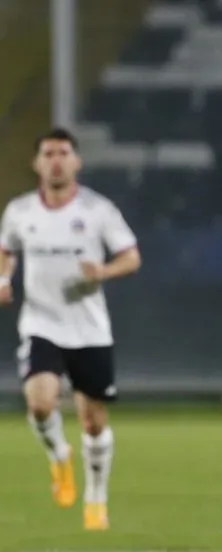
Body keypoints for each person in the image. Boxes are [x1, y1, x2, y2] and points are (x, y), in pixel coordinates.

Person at [0, 127, 141, 531]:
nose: (56, 159)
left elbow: (131, 257)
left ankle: (96, 499)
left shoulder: (98, 211)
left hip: (89, 329)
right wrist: (4, 278)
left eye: (63, 152)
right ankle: (59, 455)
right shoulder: (20, 211)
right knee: (40, 404)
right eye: (49, 153)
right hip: (41, 323)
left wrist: (103, 271)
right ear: (37, 163)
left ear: (76, 161)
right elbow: (5, 250)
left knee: (93, 421)